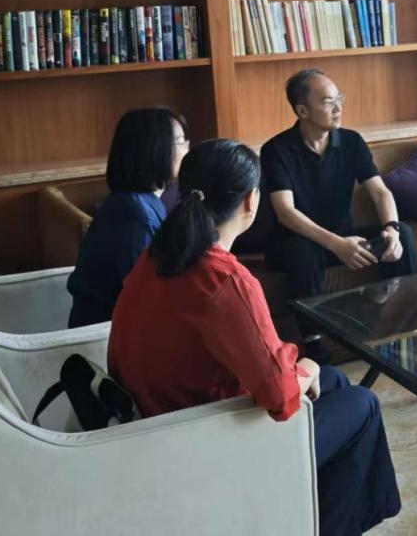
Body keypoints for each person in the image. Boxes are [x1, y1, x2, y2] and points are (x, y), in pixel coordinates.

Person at [108, 139, 401, 535]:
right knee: (362, 406)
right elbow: (280, 398)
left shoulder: (159, 256)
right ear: (251, 201)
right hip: (206, 446)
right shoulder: (224, 279)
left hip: (159, 427)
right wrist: (307, 367)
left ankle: (304, 519)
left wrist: (308, 371)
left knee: (335, 382)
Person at [261, 69, 417, 358]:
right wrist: (336, 244)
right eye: (328, 102)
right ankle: (313, 345)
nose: (338, 108)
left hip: (345, 237)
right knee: (303, 254)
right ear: (302, 111)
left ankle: (400, 329)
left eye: (339, 99)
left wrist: (392, 229)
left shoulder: (351, 141)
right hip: (296, 242)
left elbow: (380, 192)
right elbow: (286, 212)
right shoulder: (277, 150)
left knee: (405, 236)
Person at [67, 107, 189, 328]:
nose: (187, 149)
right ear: (155, 150)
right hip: (107, 335)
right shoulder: (135, 216)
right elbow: (147, 295)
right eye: (181, 142)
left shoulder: (135, 201)